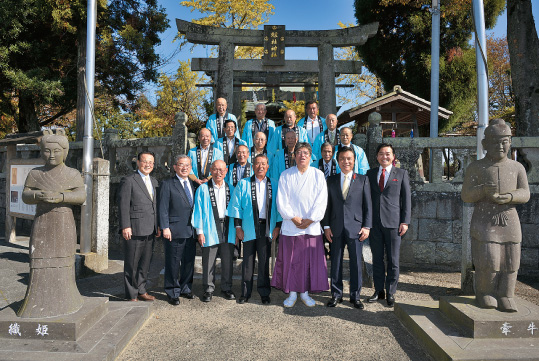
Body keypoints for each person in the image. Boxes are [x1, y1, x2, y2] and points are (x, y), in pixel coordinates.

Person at [461, 119, 529, 312]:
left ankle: (506, 295)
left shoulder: (517, 168)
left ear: (510, 142)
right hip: (485, 220)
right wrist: (482, 190)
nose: (500, 145)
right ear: (485, 144)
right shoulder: (476, 167)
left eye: (505, 141)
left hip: (509, 219)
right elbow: (466, 195)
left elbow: (525, 193)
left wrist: (509, 196)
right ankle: (485, 293)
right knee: (488, 260)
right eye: (495, 141)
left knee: (511, 260)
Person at [18, 129, 86, 318]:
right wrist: (36, 195)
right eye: (47, 151)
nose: (52, 155)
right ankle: (37, 301)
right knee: (39, 258)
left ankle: (67, 299)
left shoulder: (72, 174)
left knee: (64, 260)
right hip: (42, 221)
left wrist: (62, 196)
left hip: (64, 220)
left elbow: (81, 196)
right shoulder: (35, 173)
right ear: (42, 152)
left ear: (65, 152)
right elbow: (25, 195)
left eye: (56, 151)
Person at [271, 142, 329, 307]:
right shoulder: (286, 175)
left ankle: (304, 293)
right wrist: (293, 218)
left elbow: (321, 201)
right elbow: (281, 201)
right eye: (299, 152)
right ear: (294, 156)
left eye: (305, 153)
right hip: (291, 227)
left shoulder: (318, 175)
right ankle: (292, 293)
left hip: (311, 227)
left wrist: (311, 219)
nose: (302, 155)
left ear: (311, 156)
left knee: (308, 263)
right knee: (291, 261)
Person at [227, 154, 281, 304]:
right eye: (257, 163)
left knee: (264, 261)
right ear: (253, 166)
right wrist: (238, 227)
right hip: (249, 227)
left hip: (267, 227)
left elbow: (279, 207)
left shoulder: (274, 184)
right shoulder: (243, 183)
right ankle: (245, 292)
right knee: (248, 262)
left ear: (268, 166)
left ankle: (264, 292)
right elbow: (236, 206)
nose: (260, 167)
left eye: (263, 164)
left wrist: (277, 226)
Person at [323, 146, 372, 309]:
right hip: (335, 227)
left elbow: (368, 206)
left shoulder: (363, 179)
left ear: (354, 160)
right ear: (338, 160)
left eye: (349, 158)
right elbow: (327, 205)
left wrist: (367, 226)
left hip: (356, 228)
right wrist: (327, 226)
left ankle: (355, 296)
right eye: (342, 158)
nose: (346, 161)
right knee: (335, 262)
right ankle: (336, 295)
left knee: (356, 263)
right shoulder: (330, 180)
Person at [366, 144, 411, 307]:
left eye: (387, 154)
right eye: (381, 154)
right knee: (377, 259)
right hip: (374, 224)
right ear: (377, 156)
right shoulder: (370, 174)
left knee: (393, 260)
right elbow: (367, 199)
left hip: (394, 223)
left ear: (393, 156)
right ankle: (379, 291)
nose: (384, 156)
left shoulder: (401, 173)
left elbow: (406, 199)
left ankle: (391, 292)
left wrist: (405, 221)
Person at [192, 160, 237, 302]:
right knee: (208, 260)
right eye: (216, 169)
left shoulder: (231, 188)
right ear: (211, 171)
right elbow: (198, 210)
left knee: (228, 260)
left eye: (222, 170)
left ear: (226, 171)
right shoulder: (203, 189)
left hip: (228, 227)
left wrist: (237, 230)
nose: (219, 172)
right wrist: (199, 231)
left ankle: (226, 288)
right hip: (209, 228)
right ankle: (208, 289)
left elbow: (236, 211)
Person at [117, 151, 160, 302]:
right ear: (138, 162)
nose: (148, 165)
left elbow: (156, 205)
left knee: (145, 263)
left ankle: (141, 290)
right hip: (134, 228)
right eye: (145, 161)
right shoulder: (129, 180)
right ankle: (131, 294)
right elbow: (123, 204)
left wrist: (158, 226)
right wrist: (125, 226)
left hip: (150, 228)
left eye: (151, 162)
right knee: (132, 263)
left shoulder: (154, 181)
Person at [158, 155, 197, 306]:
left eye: (187, 165)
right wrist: (165, 227)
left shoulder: (194, 184)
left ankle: (185, 288)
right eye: (181, 164)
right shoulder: (168, 184)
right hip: (174, 230)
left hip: (191, 231)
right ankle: (172, 290)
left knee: (188, 262)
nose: (184, 167)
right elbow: (163, 208)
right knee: (173, 262)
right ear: (175, 167)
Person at [224, 144, 253, 260]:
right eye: (239, 152)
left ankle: (247, 252)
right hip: (232, 200)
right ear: (236, 154)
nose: (241, 155)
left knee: (245, 225)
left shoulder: (253, 167)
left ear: (248, 154)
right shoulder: (230, 167)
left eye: (244, 152)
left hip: (247, 202)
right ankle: (235, 251)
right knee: (234, 225)